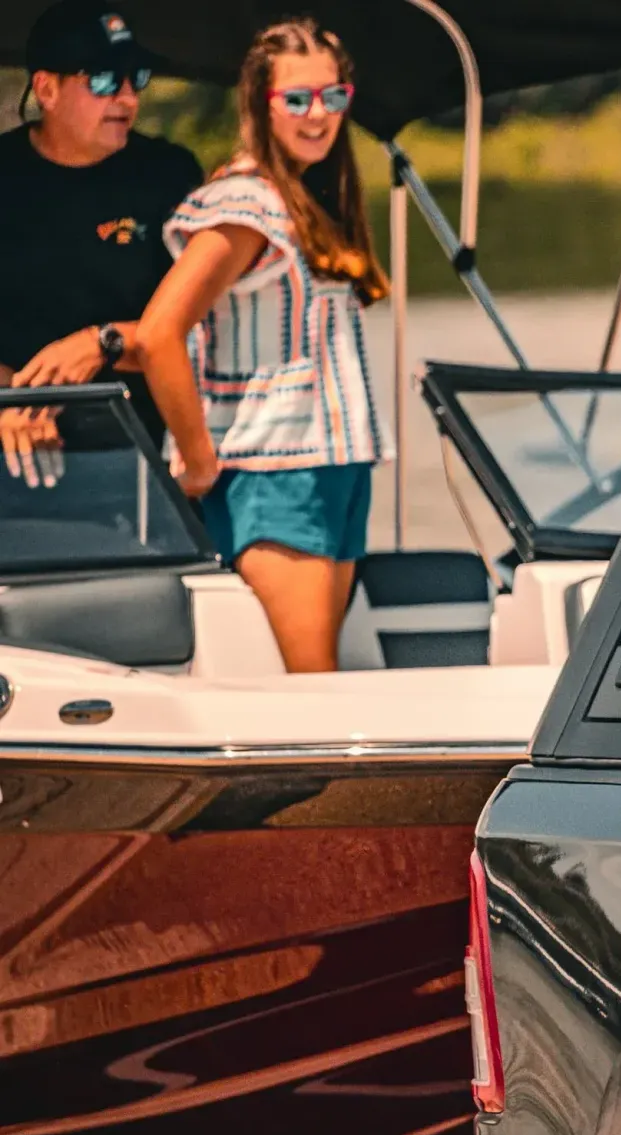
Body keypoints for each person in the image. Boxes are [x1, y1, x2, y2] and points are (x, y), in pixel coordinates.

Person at [136, 18, 389, 673]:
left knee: (320, 683)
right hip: (275, 472)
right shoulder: (243, 204)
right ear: (260, 103)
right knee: (314, 693)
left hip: (333, 464)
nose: (318, 115)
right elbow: (159, 332)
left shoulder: (304, 198)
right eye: (297, 99)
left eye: (333, 97)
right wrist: (196, 460)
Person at [0, 0, 202, 487]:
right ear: (46, 89)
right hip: (12, 447)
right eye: (105, 80)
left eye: (138, 78)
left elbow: (205, 324)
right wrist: (10, 399)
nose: (127, 98)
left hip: (143, 452)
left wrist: (103, 342)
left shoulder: (170, 176)